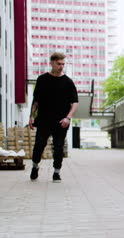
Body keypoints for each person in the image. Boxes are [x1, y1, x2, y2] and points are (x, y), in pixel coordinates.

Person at [29, 52, 79, 182]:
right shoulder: (42, 79)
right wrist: (31, 116)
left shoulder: (68, 82)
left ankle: (56, 172)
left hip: (61, 121)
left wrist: (68, 118)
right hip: (44, 120)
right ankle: (35, 166)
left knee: (58, 147)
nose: (61, 66)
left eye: (63, 64)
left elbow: (75, 102)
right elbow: (36, 101)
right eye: (58, 64)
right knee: (39, 145)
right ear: (51, 63)